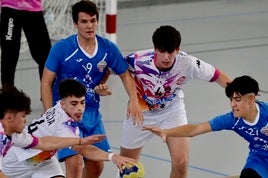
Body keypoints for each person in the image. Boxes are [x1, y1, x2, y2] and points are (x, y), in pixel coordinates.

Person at [40, 1, 142, 177]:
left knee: (96, 168)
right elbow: (46, 82)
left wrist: (133, 100)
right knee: (75, 162)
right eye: (84, 21)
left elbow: (125, 74)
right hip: (66, 113)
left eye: (93, 21)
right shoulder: (62, 49)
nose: (90, 25)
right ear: (75, 24)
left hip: (91, 112)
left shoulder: (108, 48)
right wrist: (49, 113)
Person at [119, 25, 232, 178]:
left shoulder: (188, 63)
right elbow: (114, 68)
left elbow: (217, 76)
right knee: (127, 165)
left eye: (170, 52)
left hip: (172, 112)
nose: (166, 57)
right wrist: (103, 86)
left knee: (181, 163)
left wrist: (240, 93)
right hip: (139, 113)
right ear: (155, 49)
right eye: (161, 51)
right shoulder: (137, 60)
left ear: (177, 50)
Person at [2, 78, 137, 178]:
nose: (79, 108)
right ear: (62, 104)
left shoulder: (60, 107)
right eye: (74, 104)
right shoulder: (63, 126)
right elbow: (84, 150)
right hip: (16, 164)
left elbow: (45, 143)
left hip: (43, 161)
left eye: (82, 103)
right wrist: (113, 157)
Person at [143, 75, 267, 178]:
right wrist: (167, 132)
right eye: (231, 100)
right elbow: (195, 129)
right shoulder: (232, 120)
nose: (233, 105)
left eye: (237, 99)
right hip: (259, 158)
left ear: (251, 99)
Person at [0, 0, 51, 88]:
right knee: (8, 57)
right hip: (10, 7)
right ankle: (7, 98)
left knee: (46, 57)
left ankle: (49, 97)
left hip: (34, 9)